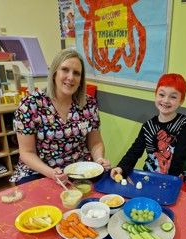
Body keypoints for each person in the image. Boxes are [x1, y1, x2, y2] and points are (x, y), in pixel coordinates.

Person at [10, 49, 111, 185]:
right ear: (54, 73)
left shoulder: (88, 104)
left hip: (79, 170)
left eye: (76, 73)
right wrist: (50, 173)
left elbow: (95, 143)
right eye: (65, 70)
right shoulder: (31, 104)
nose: (71, 77)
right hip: (39, 170)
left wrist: (99, 160)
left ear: (81, 80)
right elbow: (27, 153)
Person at [110, 73, 186, 180]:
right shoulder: (148, 126)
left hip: (172, 178)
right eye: (161, 95)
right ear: (155, 95)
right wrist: (121, 167)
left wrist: (168, 181)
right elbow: (135, 151)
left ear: (181, 100)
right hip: (148, 177)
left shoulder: (184, 124)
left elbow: (179, 159)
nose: (166, 100)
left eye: (173, 97)